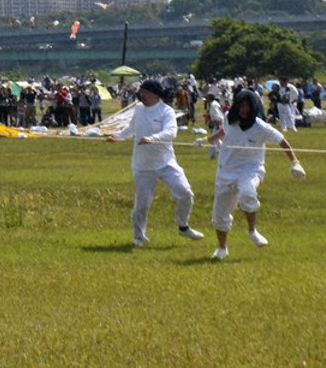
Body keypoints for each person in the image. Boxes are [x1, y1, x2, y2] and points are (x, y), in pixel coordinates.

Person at [204, 89, 306, 260]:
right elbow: (223, 131)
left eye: (247, 106)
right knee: (219, 214)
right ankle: (222, 248)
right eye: (241, 106)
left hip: (250, 170)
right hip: (226, 171)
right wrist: (207, 140)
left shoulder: (261, 127)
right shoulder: (229, 118)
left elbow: (283, 141)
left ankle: (252, 231)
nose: (244, 109)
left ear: (253, 107)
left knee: (247, 192)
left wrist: (295, 162)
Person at [107, 79, 204, 246]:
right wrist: (117, 137)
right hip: (142, 166)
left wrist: (153, 138)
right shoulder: (138, 109)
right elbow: (131, 129)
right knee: (142, 205)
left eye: (144, 92)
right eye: (141, 92)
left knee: (186, 192)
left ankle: (183, 226)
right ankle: (138, 237)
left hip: (166, 163)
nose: (141, 95)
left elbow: (171, 132)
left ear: (155, 94)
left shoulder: (166, 111)